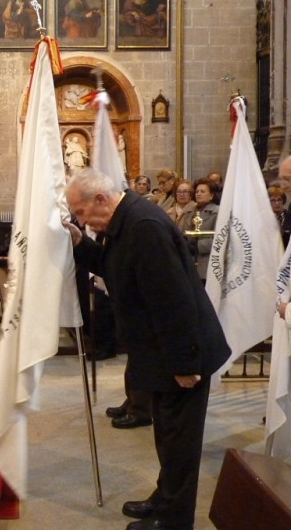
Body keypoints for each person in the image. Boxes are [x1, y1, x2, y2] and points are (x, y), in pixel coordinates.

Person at [64, 168, 231, 530]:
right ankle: (164, 497)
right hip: (162, 353)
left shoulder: (144, 227)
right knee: (167, 435)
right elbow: (115, 266)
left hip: (183, 354)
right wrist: (80, 241)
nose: (80, 219)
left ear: (100, 199)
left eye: (79, 213)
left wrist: (185, 363)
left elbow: (174, 300)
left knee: (180, 442)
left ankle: (173, 519)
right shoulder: (126, 221)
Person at [179, 178, 219, 283]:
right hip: (188, 262)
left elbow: (219, 238)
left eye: (202, 191)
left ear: (211, 195)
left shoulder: (217, 212)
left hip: (206, 263)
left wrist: (196, 246)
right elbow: (182, 232)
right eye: (197, 191)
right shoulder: (189, 211)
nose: (198, 194)